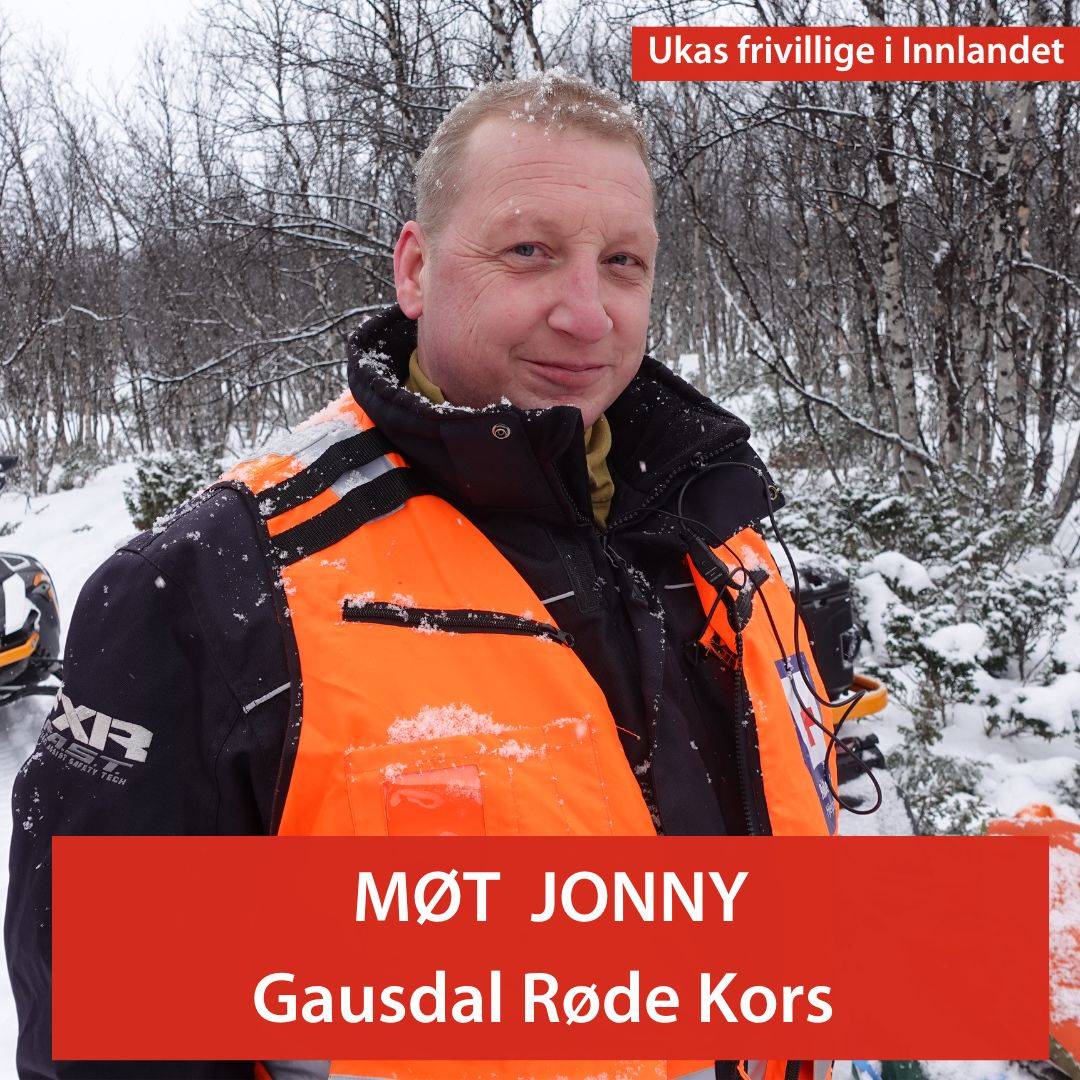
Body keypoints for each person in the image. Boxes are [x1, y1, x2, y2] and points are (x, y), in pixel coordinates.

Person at [6, 72, 837, 1080]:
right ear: (415, 269)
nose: (588, 314)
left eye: (623, 262)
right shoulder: (218, 586)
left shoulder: (724, 549)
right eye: (528, 251)